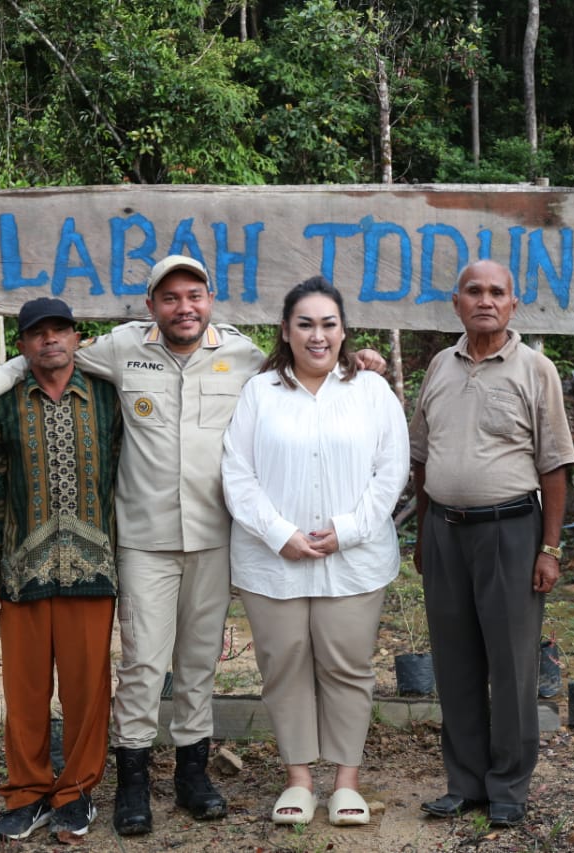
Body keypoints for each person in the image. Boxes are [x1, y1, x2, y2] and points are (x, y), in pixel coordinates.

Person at [0, 256, 385, 836]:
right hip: (145, 540)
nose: (183, 308)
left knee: (197, 665)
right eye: (170, 298)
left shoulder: (241, 356)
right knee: (142, 664)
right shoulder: (120, 349)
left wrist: (357, 362)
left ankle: (192, 776)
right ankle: (132, 784)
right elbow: (46, 351)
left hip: (215, 538)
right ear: (150, 306)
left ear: (210, 299)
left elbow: (307, 361)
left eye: (194, 296)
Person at [221, 277, 408, 827]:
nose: (317, 335)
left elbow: (391, 470)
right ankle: (299, 779)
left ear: (344, 330)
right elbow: (238, 471)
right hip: (271, 559)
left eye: (328, 324)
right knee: (284, 665)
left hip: (353, 560)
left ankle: (346, 780)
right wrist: (281, 533)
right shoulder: (260, 392)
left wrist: (346, 529)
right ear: (286, 330)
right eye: (305, 324)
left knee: (348, 666)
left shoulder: (371, 391)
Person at [408, 259, 574, 829]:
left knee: (511, 665)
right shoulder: (439, 366)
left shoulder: (535, 370)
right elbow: (422, 457)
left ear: (512, 304)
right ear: (456, 303)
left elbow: (554, 466)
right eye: (474, 291)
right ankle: (465, 781)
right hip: (443, 532)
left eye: (497, 292)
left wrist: (549, 549)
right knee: (454, 661)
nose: (485, 300)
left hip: (510, 531)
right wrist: (422, 531)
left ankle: (508, 785)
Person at [0, 297, 121, 841]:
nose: (50, 340)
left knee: (87, 688)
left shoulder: (108, 397)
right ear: (24, 345)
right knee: (25, 690)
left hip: (93, 567)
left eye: (60, 330)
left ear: (78, 337)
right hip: (21, 571)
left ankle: (77, 790)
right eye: (38, 333)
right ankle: (27, 791)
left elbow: (128, 478)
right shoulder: (5, 405)